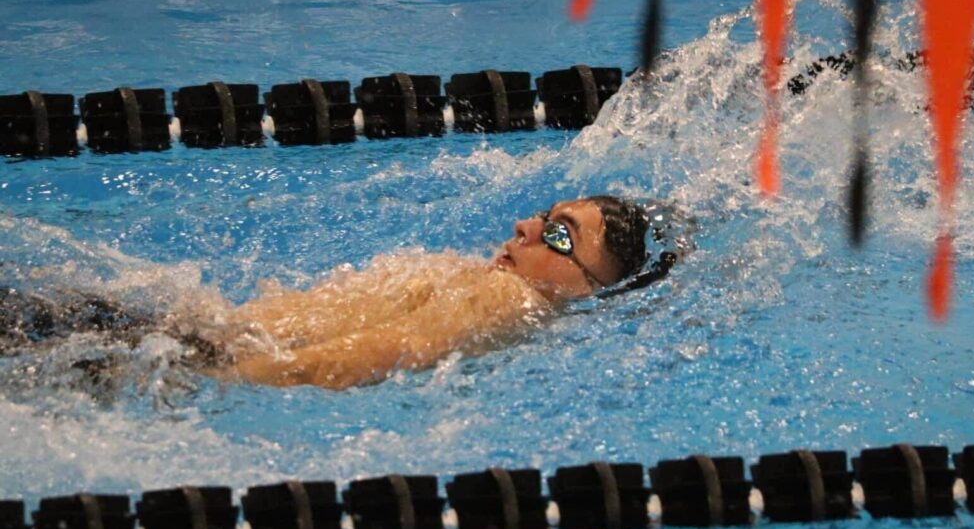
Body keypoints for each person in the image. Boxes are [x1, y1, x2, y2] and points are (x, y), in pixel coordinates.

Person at [216, 195, 654, 390]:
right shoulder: (501, 291)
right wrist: (233, 374)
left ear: (591, 289)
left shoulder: (502, 295)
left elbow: (378, 351)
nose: (525, 226)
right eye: (546, 215)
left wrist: (230, 372)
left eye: (560, 236)